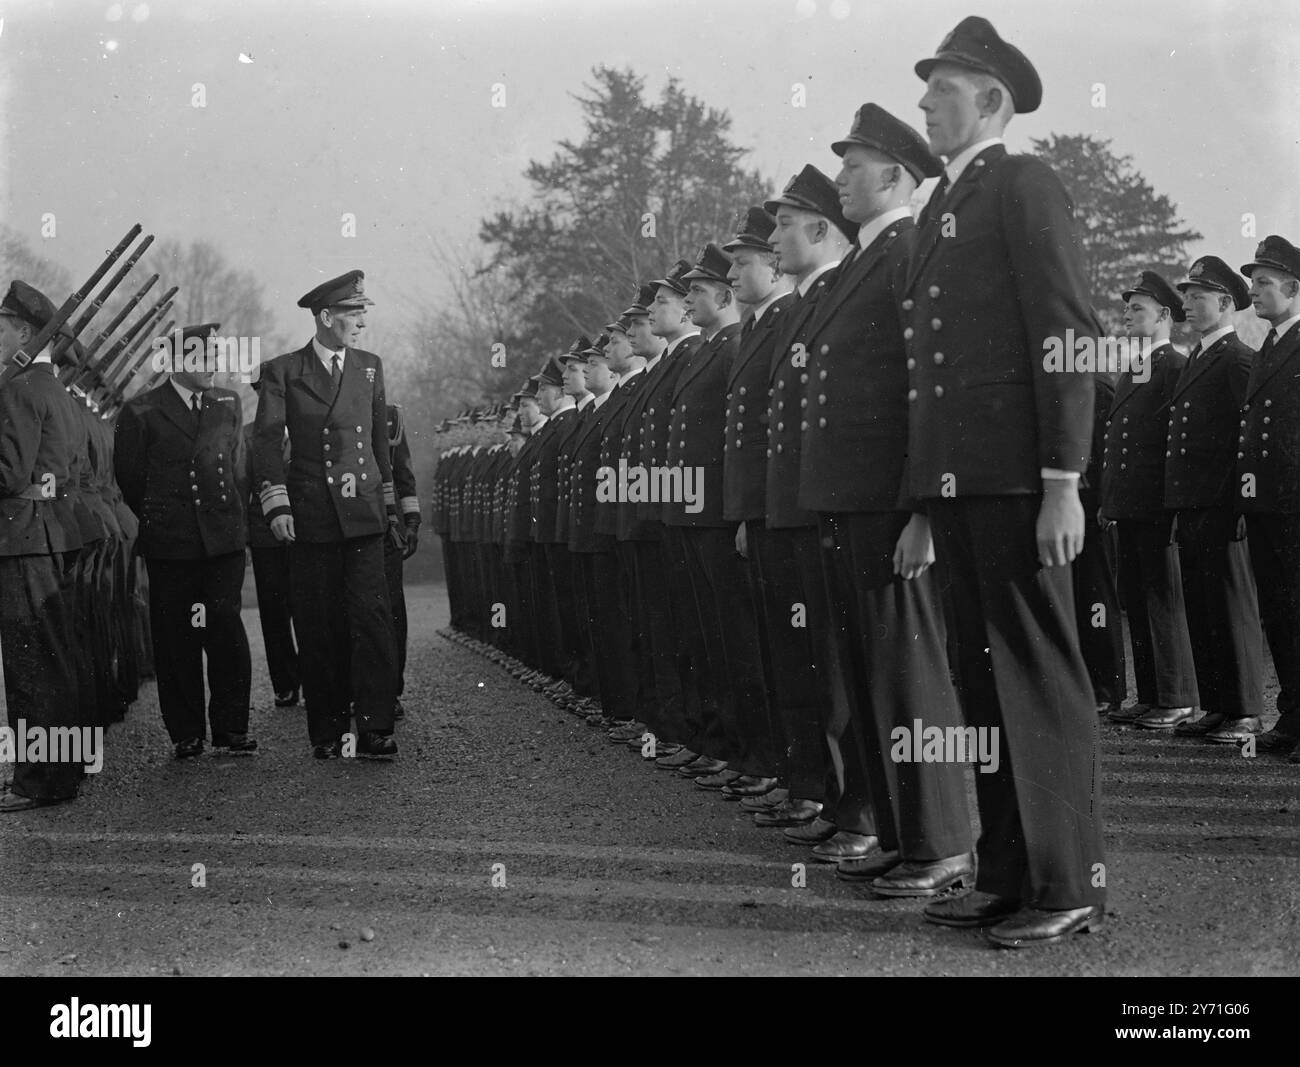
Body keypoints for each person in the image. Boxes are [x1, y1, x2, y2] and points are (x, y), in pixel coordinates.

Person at [908, 15, 1105, 946]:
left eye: (940, 91)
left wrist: (1064, 479)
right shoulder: (944, 207)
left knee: (1035, 679)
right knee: (982, 686)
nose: (925, 105)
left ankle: (1066, 883)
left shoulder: (1024, 185)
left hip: (1023, 483)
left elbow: (1066, 333)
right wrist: (927, 500)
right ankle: (1008, 873)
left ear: (989, 100)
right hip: (963, 485)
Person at [252, 270, 399, 760]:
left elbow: (380, 445)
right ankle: (329, 731)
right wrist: (277, 504)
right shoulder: (284, 371)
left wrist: (392, 507)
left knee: (371, 619)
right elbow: (268, 441)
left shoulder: (371, 367)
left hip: (363, 516)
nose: (361, 322)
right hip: (313, 515)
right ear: (326, 317)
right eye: (354, 314)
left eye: (363, 313)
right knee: (318, 625)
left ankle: (375, 726)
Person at [114, 323, 255, 758]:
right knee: (177, 638)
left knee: (226, 631)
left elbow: (239, 471)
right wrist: (168, 520)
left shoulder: (227, 403)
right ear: (177, 362)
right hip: (172, 544)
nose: (215, 365)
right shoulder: (141, 411)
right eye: (206, 358)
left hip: (223, 543)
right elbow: (132, 480)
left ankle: (231, 728)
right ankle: (186, 732)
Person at [1166, 256, 1264, 744]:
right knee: (1202, 605)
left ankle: (1245, 708)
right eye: (1186, 296)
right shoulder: (1200, 358)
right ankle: (1218, 704)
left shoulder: (1238, 359)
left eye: (1197, 297)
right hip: (1193, 503)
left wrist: (1243, 501)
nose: (1187, 304)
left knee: (1229, 603)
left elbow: (1248, 438)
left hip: (1222, 503)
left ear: (1225, 303)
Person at [0, 281, 89, 810]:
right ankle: (62, 772)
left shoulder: (19, 388)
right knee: (54, 658)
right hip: (50, 532)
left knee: (30, 665)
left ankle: (37, 781)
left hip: (23, 538)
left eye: (3, 327)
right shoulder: (51, 387)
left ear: (25, 333)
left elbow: (9, 474)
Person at [1101, 271, 1198, 728]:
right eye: (1126, 309)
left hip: (1158, 507)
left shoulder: (1176, 367)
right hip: (1131, 506)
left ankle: (1176, 698)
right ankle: (1154, 695)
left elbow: (1175, 444)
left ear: (1164, 316)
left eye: (1136, 309)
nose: (1126, 315)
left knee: (1162, 599)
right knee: (1136, 599)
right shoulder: (1135, 367)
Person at [1236, 235, 1300, 760]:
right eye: (1253, 282)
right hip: (1266, 507)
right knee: (1279, 612)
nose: (1253, 290)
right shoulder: (1269, 346)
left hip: (1295, 504)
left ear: (1293, 288)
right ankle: (1293, 719)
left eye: (1263, 282)